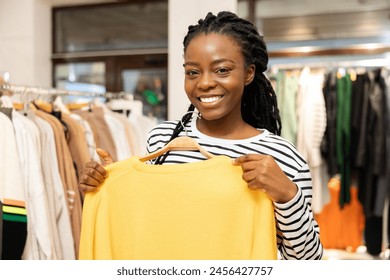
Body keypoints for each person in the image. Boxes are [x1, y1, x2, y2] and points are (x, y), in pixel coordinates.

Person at [78, 11, 323, 260]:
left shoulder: (282, 157)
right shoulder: (162, 139)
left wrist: (287, 195)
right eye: (193, 72)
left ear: (248, 73)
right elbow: (151, 221)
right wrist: (109, 184)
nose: (204, 83)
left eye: (222, 70)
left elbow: (308, 261)